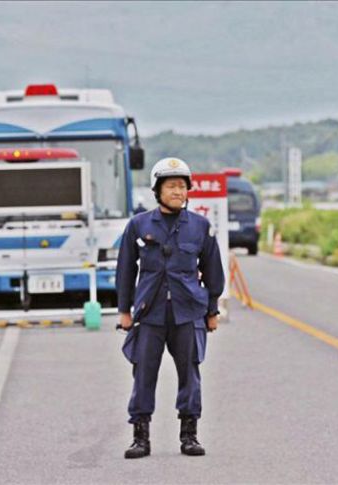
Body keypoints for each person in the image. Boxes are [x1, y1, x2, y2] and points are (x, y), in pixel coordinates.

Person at [115, 157, 225, 458]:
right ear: (157, 190)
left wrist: (212, 311)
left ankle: (189, 435)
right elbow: (125, 269)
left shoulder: (200, 227)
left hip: (188, 311)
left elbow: (213, 271)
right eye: (171, 186)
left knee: (190, 373)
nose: (178, 192)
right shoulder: (138, 225)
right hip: (150, 312)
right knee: (143, 373)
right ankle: (140, 436)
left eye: (182, 186)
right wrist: (124, 310)